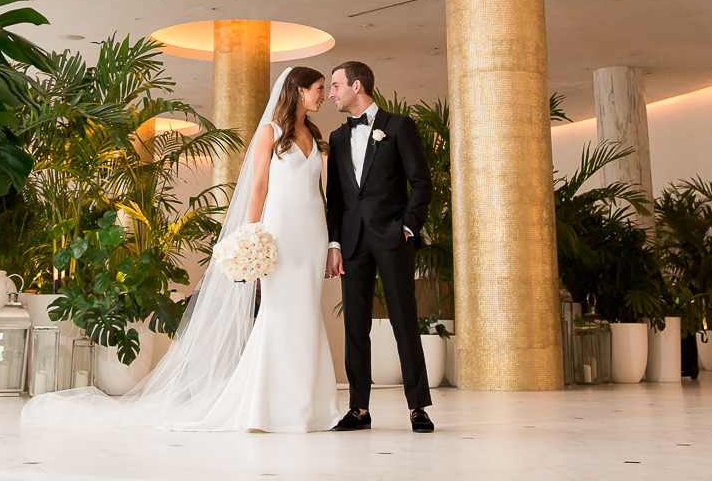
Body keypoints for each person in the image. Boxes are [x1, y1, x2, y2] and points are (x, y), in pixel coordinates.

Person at [21, 66, 340, 435]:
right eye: (319, 88)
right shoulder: (270, 132)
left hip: (312, 236)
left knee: (307, 316)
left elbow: (320, 191)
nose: (322, 95)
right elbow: (259, 188)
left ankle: (312, 407)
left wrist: (329, 238)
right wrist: (251, 236)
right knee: (280, 315)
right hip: (281, 236)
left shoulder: (313, 134)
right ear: (299, 90)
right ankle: (271, 409)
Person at [324, 61, 435, 433]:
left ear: (357, 85)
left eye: (337, 85)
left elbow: (421, 183)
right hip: (352, 241)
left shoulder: (399, 126)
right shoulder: (337, 139)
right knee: (355, 325)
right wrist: (335, 243)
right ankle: (359, 409)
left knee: (404, 320)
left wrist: (407, 226)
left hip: (392, 238)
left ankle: (417, 406)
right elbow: (336, 199)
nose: (332, 93)